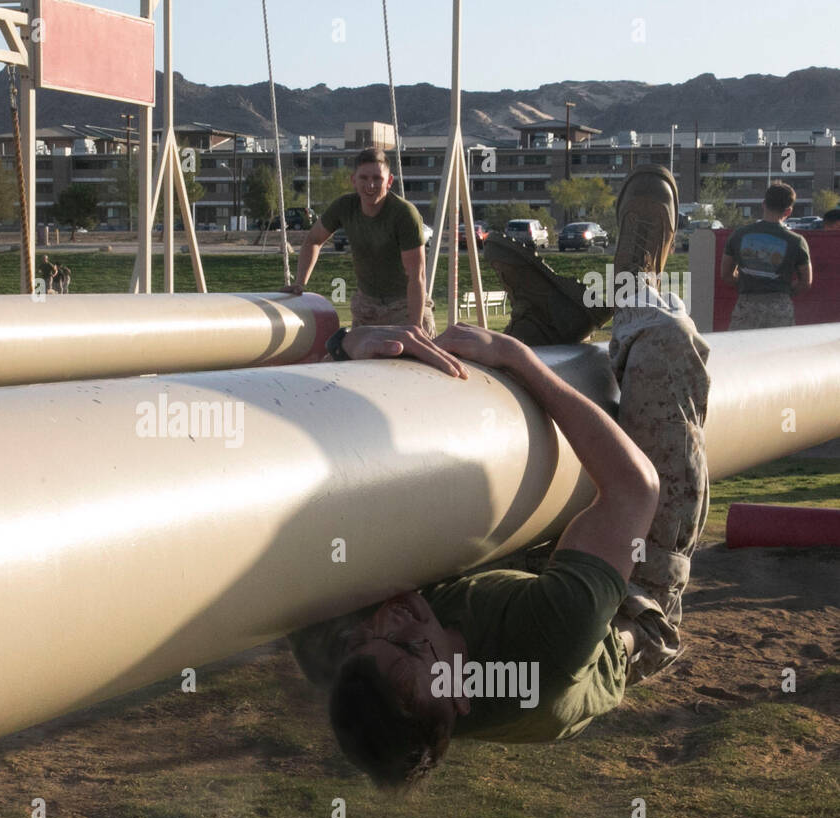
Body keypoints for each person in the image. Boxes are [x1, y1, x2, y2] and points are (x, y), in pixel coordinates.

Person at [293, 164, 710, 786]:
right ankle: (632, 287)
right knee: (661, 348)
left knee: (469, 386)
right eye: (412, 646)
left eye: (371, 639)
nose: (392, 616)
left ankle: (552, 322)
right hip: (627, 610)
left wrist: (347, 346)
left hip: (523, 570)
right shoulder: (550, 648)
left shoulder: (348, 654)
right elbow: (634, 489)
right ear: (460, 698)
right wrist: (518, 360)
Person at [281, 148, 433, 336]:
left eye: (377, 179)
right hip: (367, 307)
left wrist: (415, 326)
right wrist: (300, 283)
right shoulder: (344, 207)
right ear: (354, 180)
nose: (370, 185)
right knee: (357, 359)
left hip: (404, 306)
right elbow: (313, 239)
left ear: (390, 181)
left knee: (413, 360)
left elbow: (417, 276)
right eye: (364, 178)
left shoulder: (405, 214)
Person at [720, 182, 812, 330]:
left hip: (747, 305)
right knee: (779, 351)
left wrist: (748, 284)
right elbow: (805, 282)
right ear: (788, 211)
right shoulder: (797, 241)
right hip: (780, 307)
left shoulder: (739, 235)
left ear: (763, 204)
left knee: (742, 350)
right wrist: (785, 291)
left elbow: (726, 275)